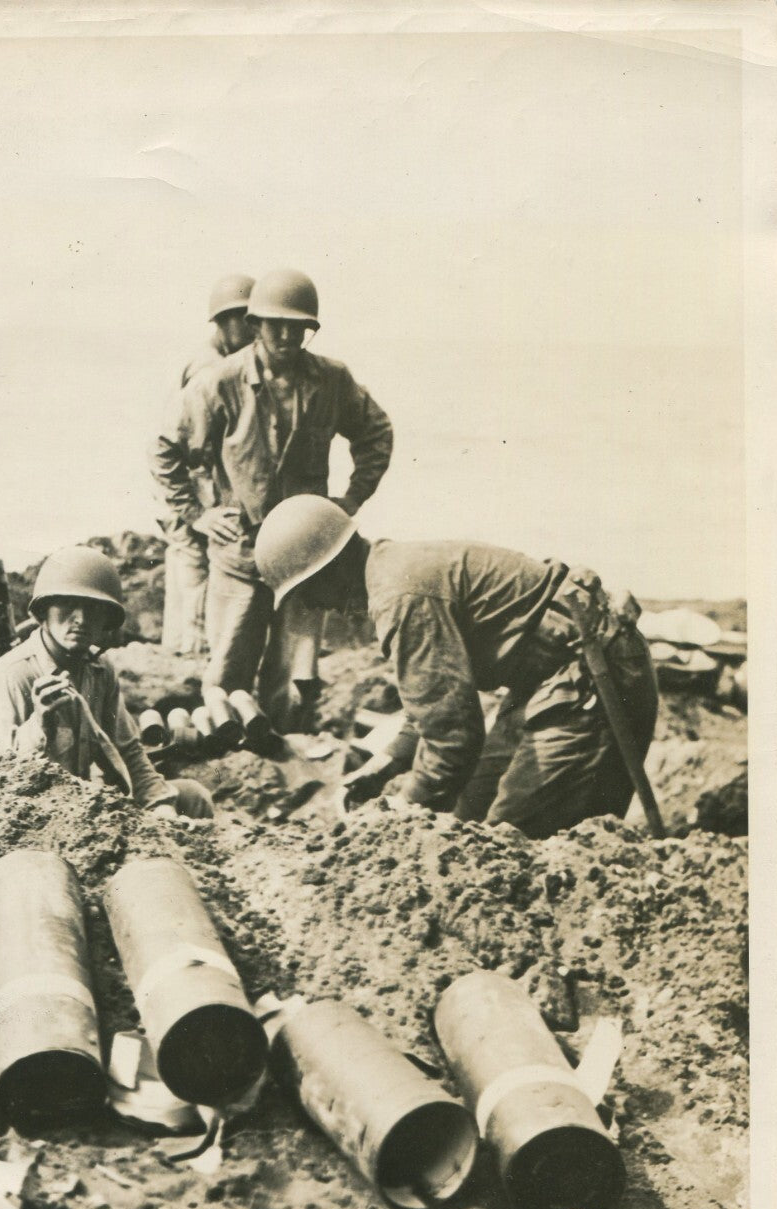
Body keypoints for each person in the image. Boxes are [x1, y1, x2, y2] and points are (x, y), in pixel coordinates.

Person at [253, 495, 658, 838]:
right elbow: (433, 702)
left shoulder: (400, 597)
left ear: (329, 569)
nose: (316, 607)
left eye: (307, 593)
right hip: (545, 680)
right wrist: (385, 764)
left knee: (511, 838)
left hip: (593, 675)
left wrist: (401, 821)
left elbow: (452, 736)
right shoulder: (392, 575)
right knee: (470, 817)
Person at [150, 268, 393, 730]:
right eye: (275, 325)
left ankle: (281, 745)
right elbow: (165, 448)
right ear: (255, 325)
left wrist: (351, 500)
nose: (285, 336)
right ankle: (229, 747)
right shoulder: (219, 382)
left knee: (293, 679)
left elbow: (376, 433)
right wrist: (198, 515)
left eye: (296, 327)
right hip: (240, 551)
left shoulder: (332, 380)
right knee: (226, 672)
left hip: (307, 558)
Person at [0, 546, 215, 819]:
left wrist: (161, 807)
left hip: (85, 806)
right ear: (44, 610)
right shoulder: (8, 677)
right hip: (35, 818)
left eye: (94, 608)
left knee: (192, 797)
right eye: (68, 604)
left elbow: (129, 751)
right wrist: (38, 726)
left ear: (107, 620)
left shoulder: (99, 670)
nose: (81, 619)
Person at [161, 273, 256, 656]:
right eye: (244, 321)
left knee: (187, 578)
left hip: (191, 491)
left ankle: (182, 654)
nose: (254, 331)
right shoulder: (210, 369)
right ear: (222, 322)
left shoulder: (222, 361)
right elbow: (172, 448)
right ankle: (194, 659)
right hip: (190, 492)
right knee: (197, 575)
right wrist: (197, 513)